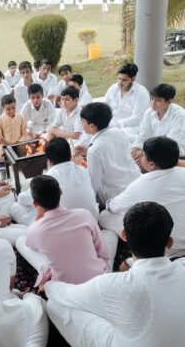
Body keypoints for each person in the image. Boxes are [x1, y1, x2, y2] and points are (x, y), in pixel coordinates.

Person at [45, 201, 185, 347]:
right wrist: (130, 262)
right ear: (169, 242)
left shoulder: (110, 285)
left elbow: (66, 294)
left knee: (55, 304)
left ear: (124, 235)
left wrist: (48, 286)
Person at [100, 136, 185, 265]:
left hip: (164, 247)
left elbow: (113, 206)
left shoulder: (142, 183)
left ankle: (134, 258)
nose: (140, 158)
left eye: (143, 155)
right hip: (177, 240)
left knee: (104, 216)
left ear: (151, 164)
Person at [16, 175, 109, 286]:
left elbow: (30, 245)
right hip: (98, 278)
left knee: (20, 241)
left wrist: (38, 219)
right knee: (109, 234)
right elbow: (104, 253)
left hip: (66, 288)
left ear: (35, 204)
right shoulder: (84, 215)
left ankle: (46, 269)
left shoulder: (35, 230)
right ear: (60, 192)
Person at [11, 137, 99, 225]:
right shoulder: (83, 170)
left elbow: (23, 199)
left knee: (16, 207)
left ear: (48, 160)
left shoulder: (48, 179)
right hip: (92, 219)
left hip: (64, 226)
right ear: (70, 155)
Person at [79, 102, 140, 206]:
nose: (81, 123)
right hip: (136, 186)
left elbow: (92, 185)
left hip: (116, 197)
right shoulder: (118, 132)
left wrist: (79, 165)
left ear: (92, 126)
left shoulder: (95, 150)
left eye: (83, 121)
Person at [132, 83, 185, 163]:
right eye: (152, 99)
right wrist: (136, 150)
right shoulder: (149, 113)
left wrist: (144, 153)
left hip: (176, 155)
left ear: (169, 101)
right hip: (156, 150)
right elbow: (143, 136)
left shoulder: (180, 116)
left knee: (142, 165)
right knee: (132, 158)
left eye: (158, 100)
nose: (153, 103)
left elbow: (171, 145)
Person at [104, 63, 150, 138]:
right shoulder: (113, 89)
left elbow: (137, 118)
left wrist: (117, 125)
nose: (120, 83)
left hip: (132, 127)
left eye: (124, 80)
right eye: (119, 79)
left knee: (116, 136)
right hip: (112, 124)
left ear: (133, 79)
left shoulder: (141, 93)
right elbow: (104, 107)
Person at [0, 94, 27, 160]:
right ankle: (11, 157)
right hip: (6, 145)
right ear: (2, 107)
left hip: (18, 144)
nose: (11, 111)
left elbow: (24, 133)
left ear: (16, 105)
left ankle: (13, 157)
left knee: (25, 151)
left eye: (13, 108)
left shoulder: (21, 117)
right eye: (8, 109)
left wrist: (20, 142)